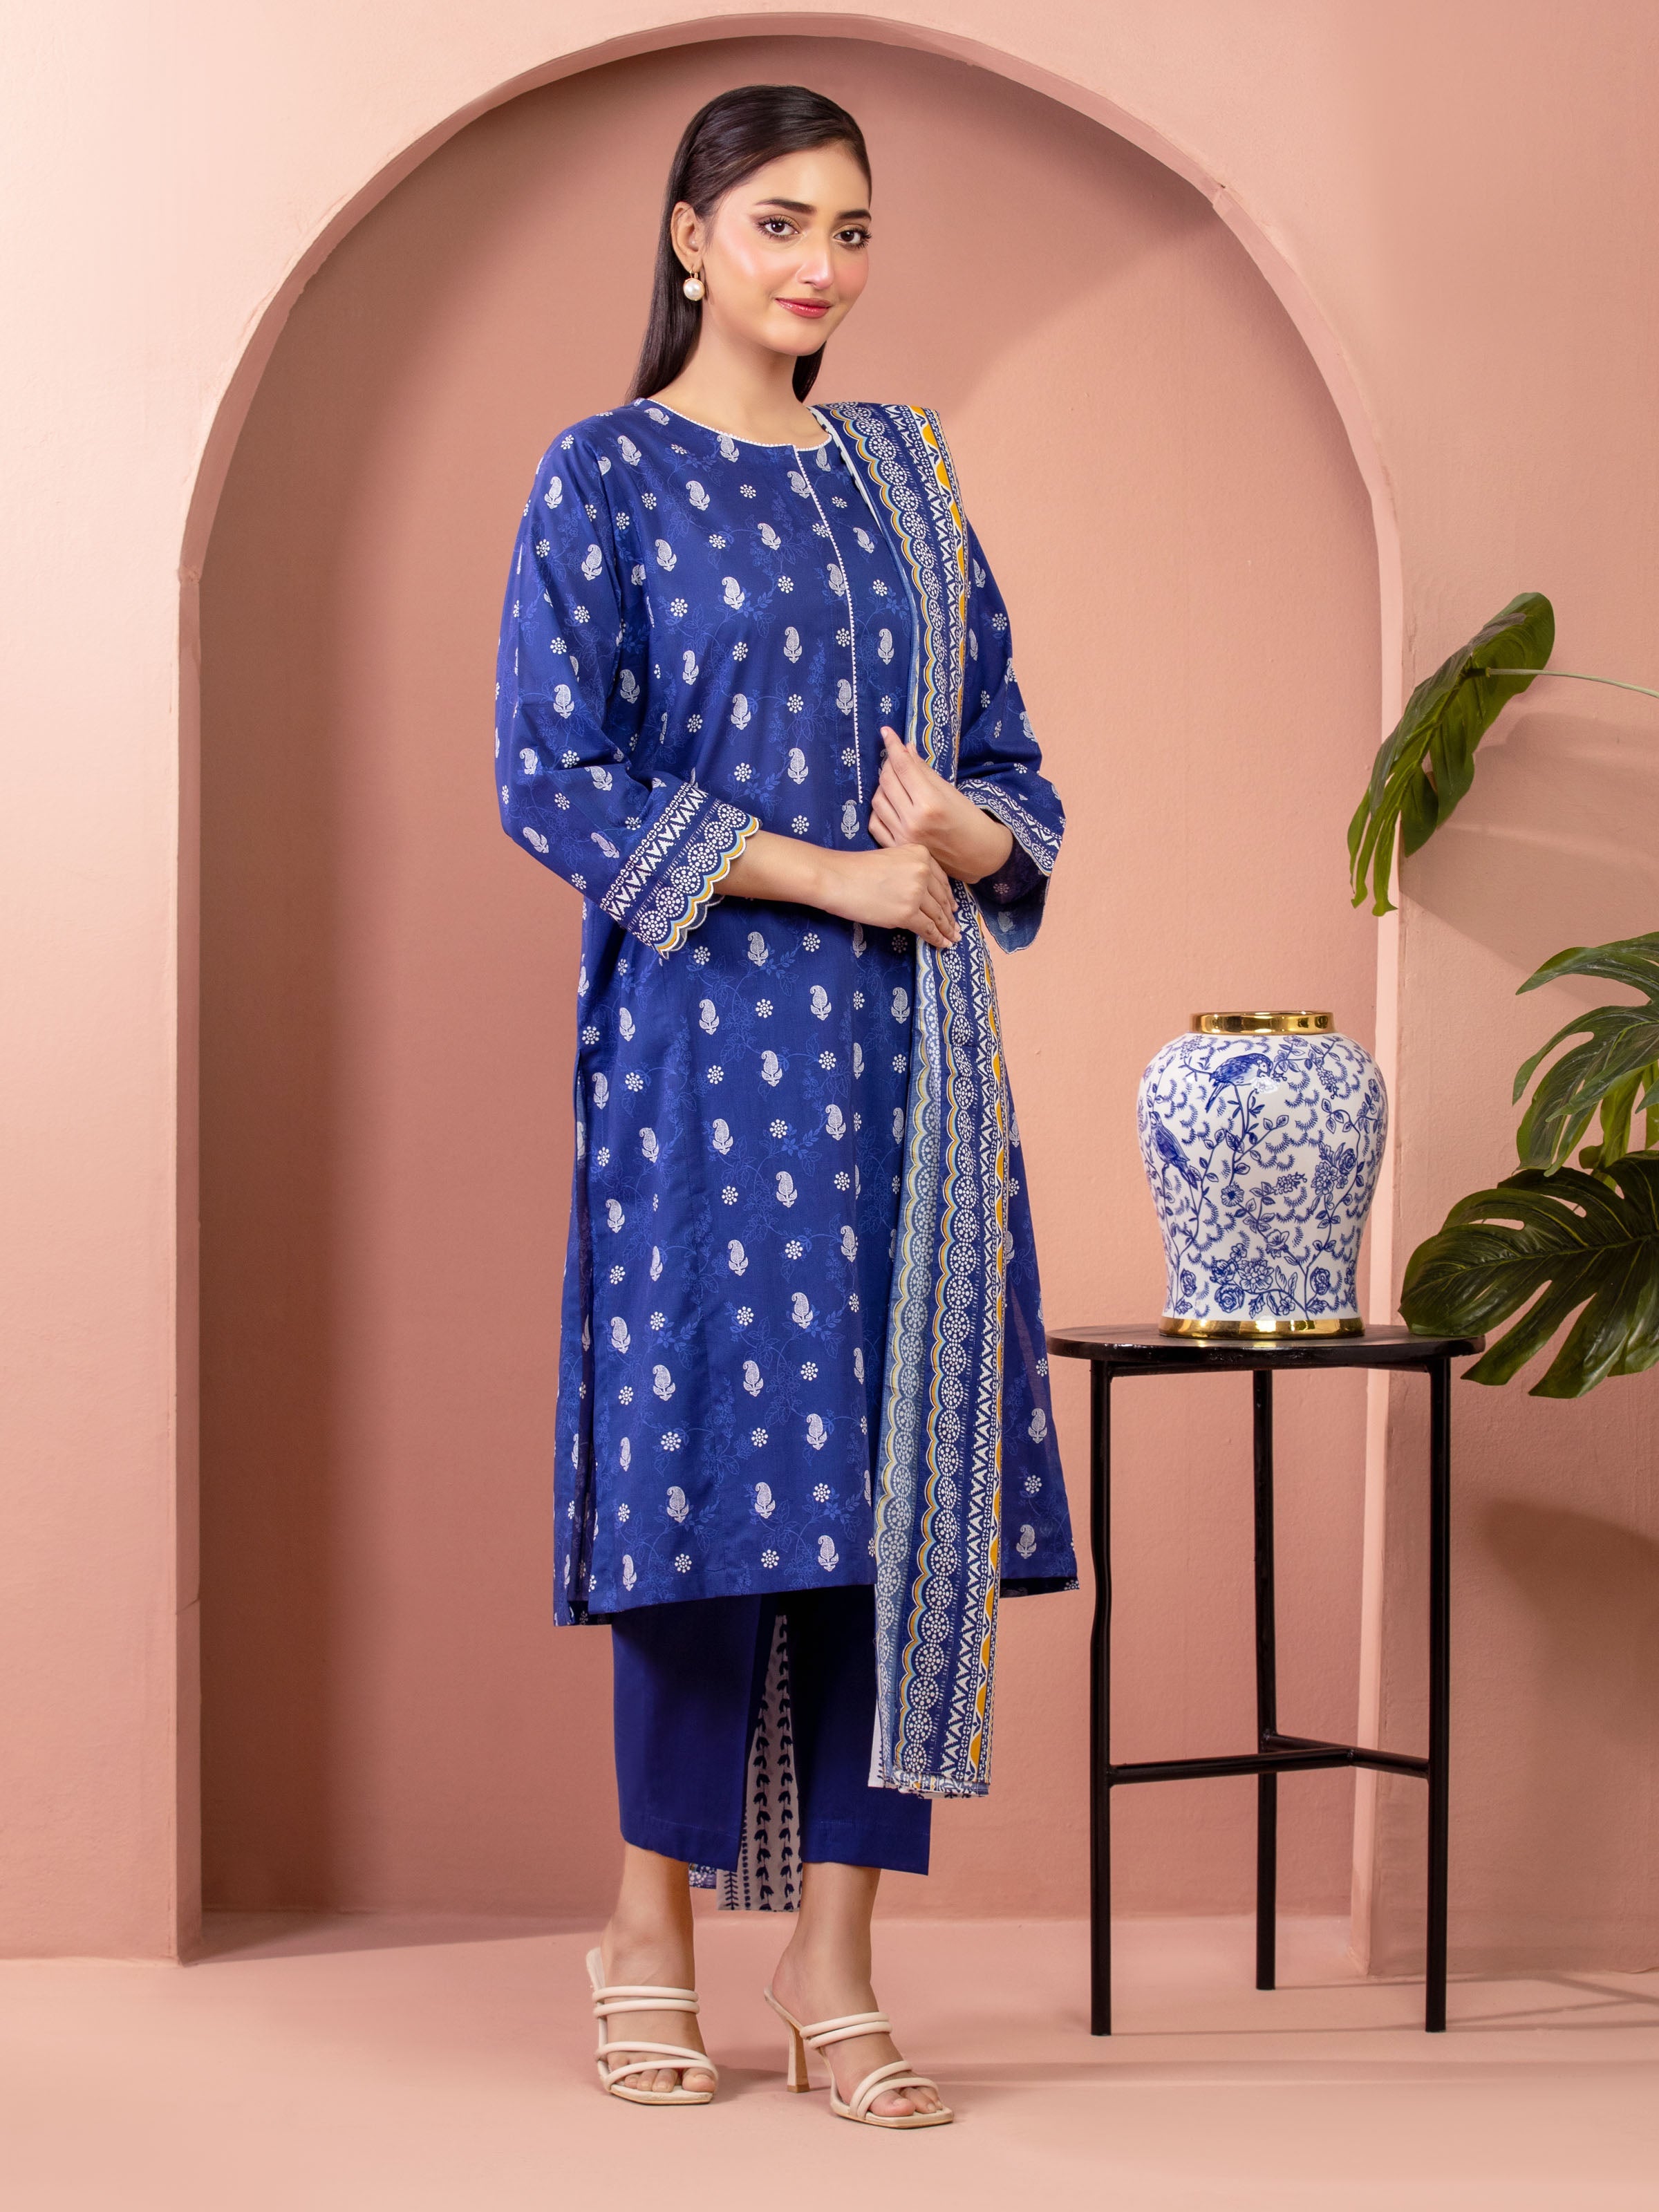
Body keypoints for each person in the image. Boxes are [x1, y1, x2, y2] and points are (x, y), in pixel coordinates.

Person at [494, 81, 1076, 2128]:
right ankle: (642, 1930)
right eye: (778, 224)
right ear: (690, 238)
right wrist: (830, 873)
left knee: (885, 1506)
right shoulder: (606, 474)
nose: (820, 266)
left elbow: (1011, 766)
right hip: (702, 1060)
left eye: (851, 229)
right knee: (710, 1491)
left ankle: (835, 1958)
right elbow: (551, 773)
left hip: (910, 1066)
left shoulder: (903, 481)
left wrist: (973, 839)